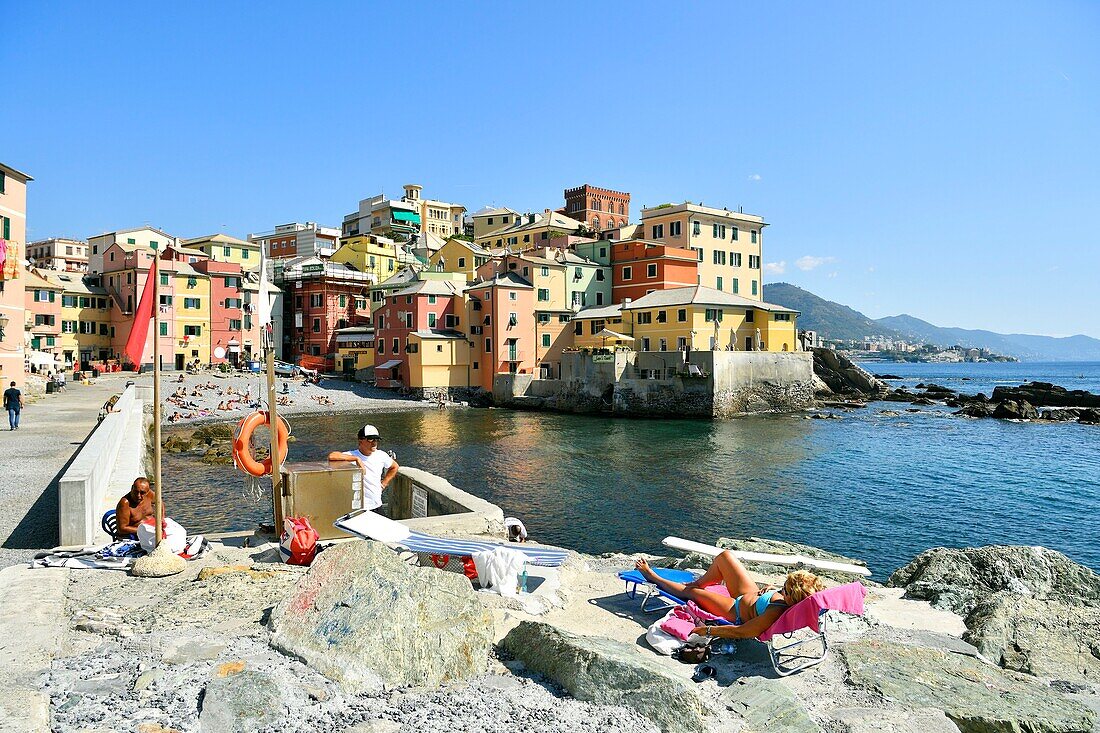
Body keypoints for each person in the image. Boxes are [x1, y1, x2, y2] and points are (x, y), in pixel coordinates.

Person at [633, 552, 825, 639]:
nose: (782, 589)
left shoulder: (775, 612)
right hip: (751, 595)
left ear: (792, 597)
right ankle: (700, 581)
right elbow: (785, 594)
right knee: (725, 557)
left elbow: (743, 632)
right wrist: (772, 589)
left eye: (785, 589)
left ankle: (652, 576)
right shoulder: (791, 600)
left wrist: (708, 631)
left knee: (692, 593)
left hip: (735, 611)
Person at [327, 424, 399, 512]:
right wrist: (356, 459)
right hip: (359, 509)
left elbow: (394, 467)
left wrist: (384, 484)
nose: (374, 442)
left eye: (376, 439)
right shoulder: (352, 455)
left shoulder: (381, 455)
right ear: (360, 440)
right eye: (370, 439)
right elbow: (332, 456)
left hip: (377, 505)